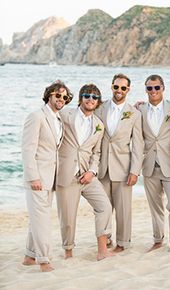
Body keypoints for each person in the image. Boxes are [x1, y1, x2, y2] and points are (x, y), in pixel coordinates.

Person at [56, 84, 113, 261]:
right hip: (66, 175)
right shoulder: (65, 115)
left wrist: (92, 171)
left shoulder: (99, 125)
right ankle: (68, 252)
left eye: (94, 97)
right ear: (81, 98)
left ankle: (102, 249)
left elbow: (96, 153)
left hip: (87, 176)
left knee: (105, 207)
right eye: (87, 96)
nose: (90, 99)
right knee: (68, 217)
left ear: (98, 102)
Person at [22, 80, 73, 272]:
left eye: (65, 97)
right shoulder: (36, 117)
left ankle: (29, 256)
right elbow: (28, 149)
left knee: (37, 217)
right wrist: (33, 176)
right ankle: (44, 261)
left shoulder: (58, 118)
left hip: (50, 178)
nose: (61, 99)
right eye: (57, 95)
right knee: (42, 219)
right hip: (37, 178)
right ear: (49, 95)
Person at [96, 73, 144, 252]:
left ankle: (123, 243)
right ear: (111, 87)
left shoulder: (134, 113)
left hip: (123, 168)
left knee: (123, 209)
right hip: (101, 168)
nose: (119, 90)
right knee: (103, 208)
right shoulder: (100, 108)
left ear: (128, 90)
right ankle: (106, 239)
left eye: (123, 88)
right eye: (116, 87)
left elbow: (138, 145)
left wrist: (135, 171)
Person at [137, 74, 170, 252]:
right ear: (146, 90)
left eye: (157, 87)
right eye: (149, 88)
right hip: (148, 165)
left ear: (163, 88)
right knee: (155, 207)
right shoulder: (139, 110)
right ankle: (157, 240)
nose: (153, 91)